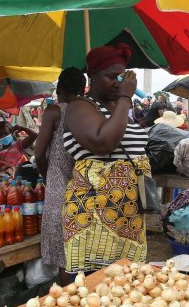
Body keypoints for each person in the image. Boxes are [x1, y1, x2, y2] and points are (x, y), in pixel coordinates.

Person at [61, 44, 150, 273]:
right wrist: (125, 98)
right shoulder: (80, 106)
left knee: (126, 288)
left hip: (127, 217)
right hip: (94, 219)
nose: (119, 83)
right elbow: (103, 142)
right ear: (91, 75)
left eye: (122, 76)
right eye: (112, 77)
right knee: (93, 291)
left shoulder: (116, 108)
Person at [34, 67, 86, 285]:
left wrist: (48, 175)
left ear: (60, 89)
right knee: (78, 246)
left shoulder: (55, 111)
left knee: (63, 251)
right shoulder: (88, 112)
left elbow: (38, 153)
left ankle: (65, 296)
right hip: (83, 181)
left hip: (58, 181)